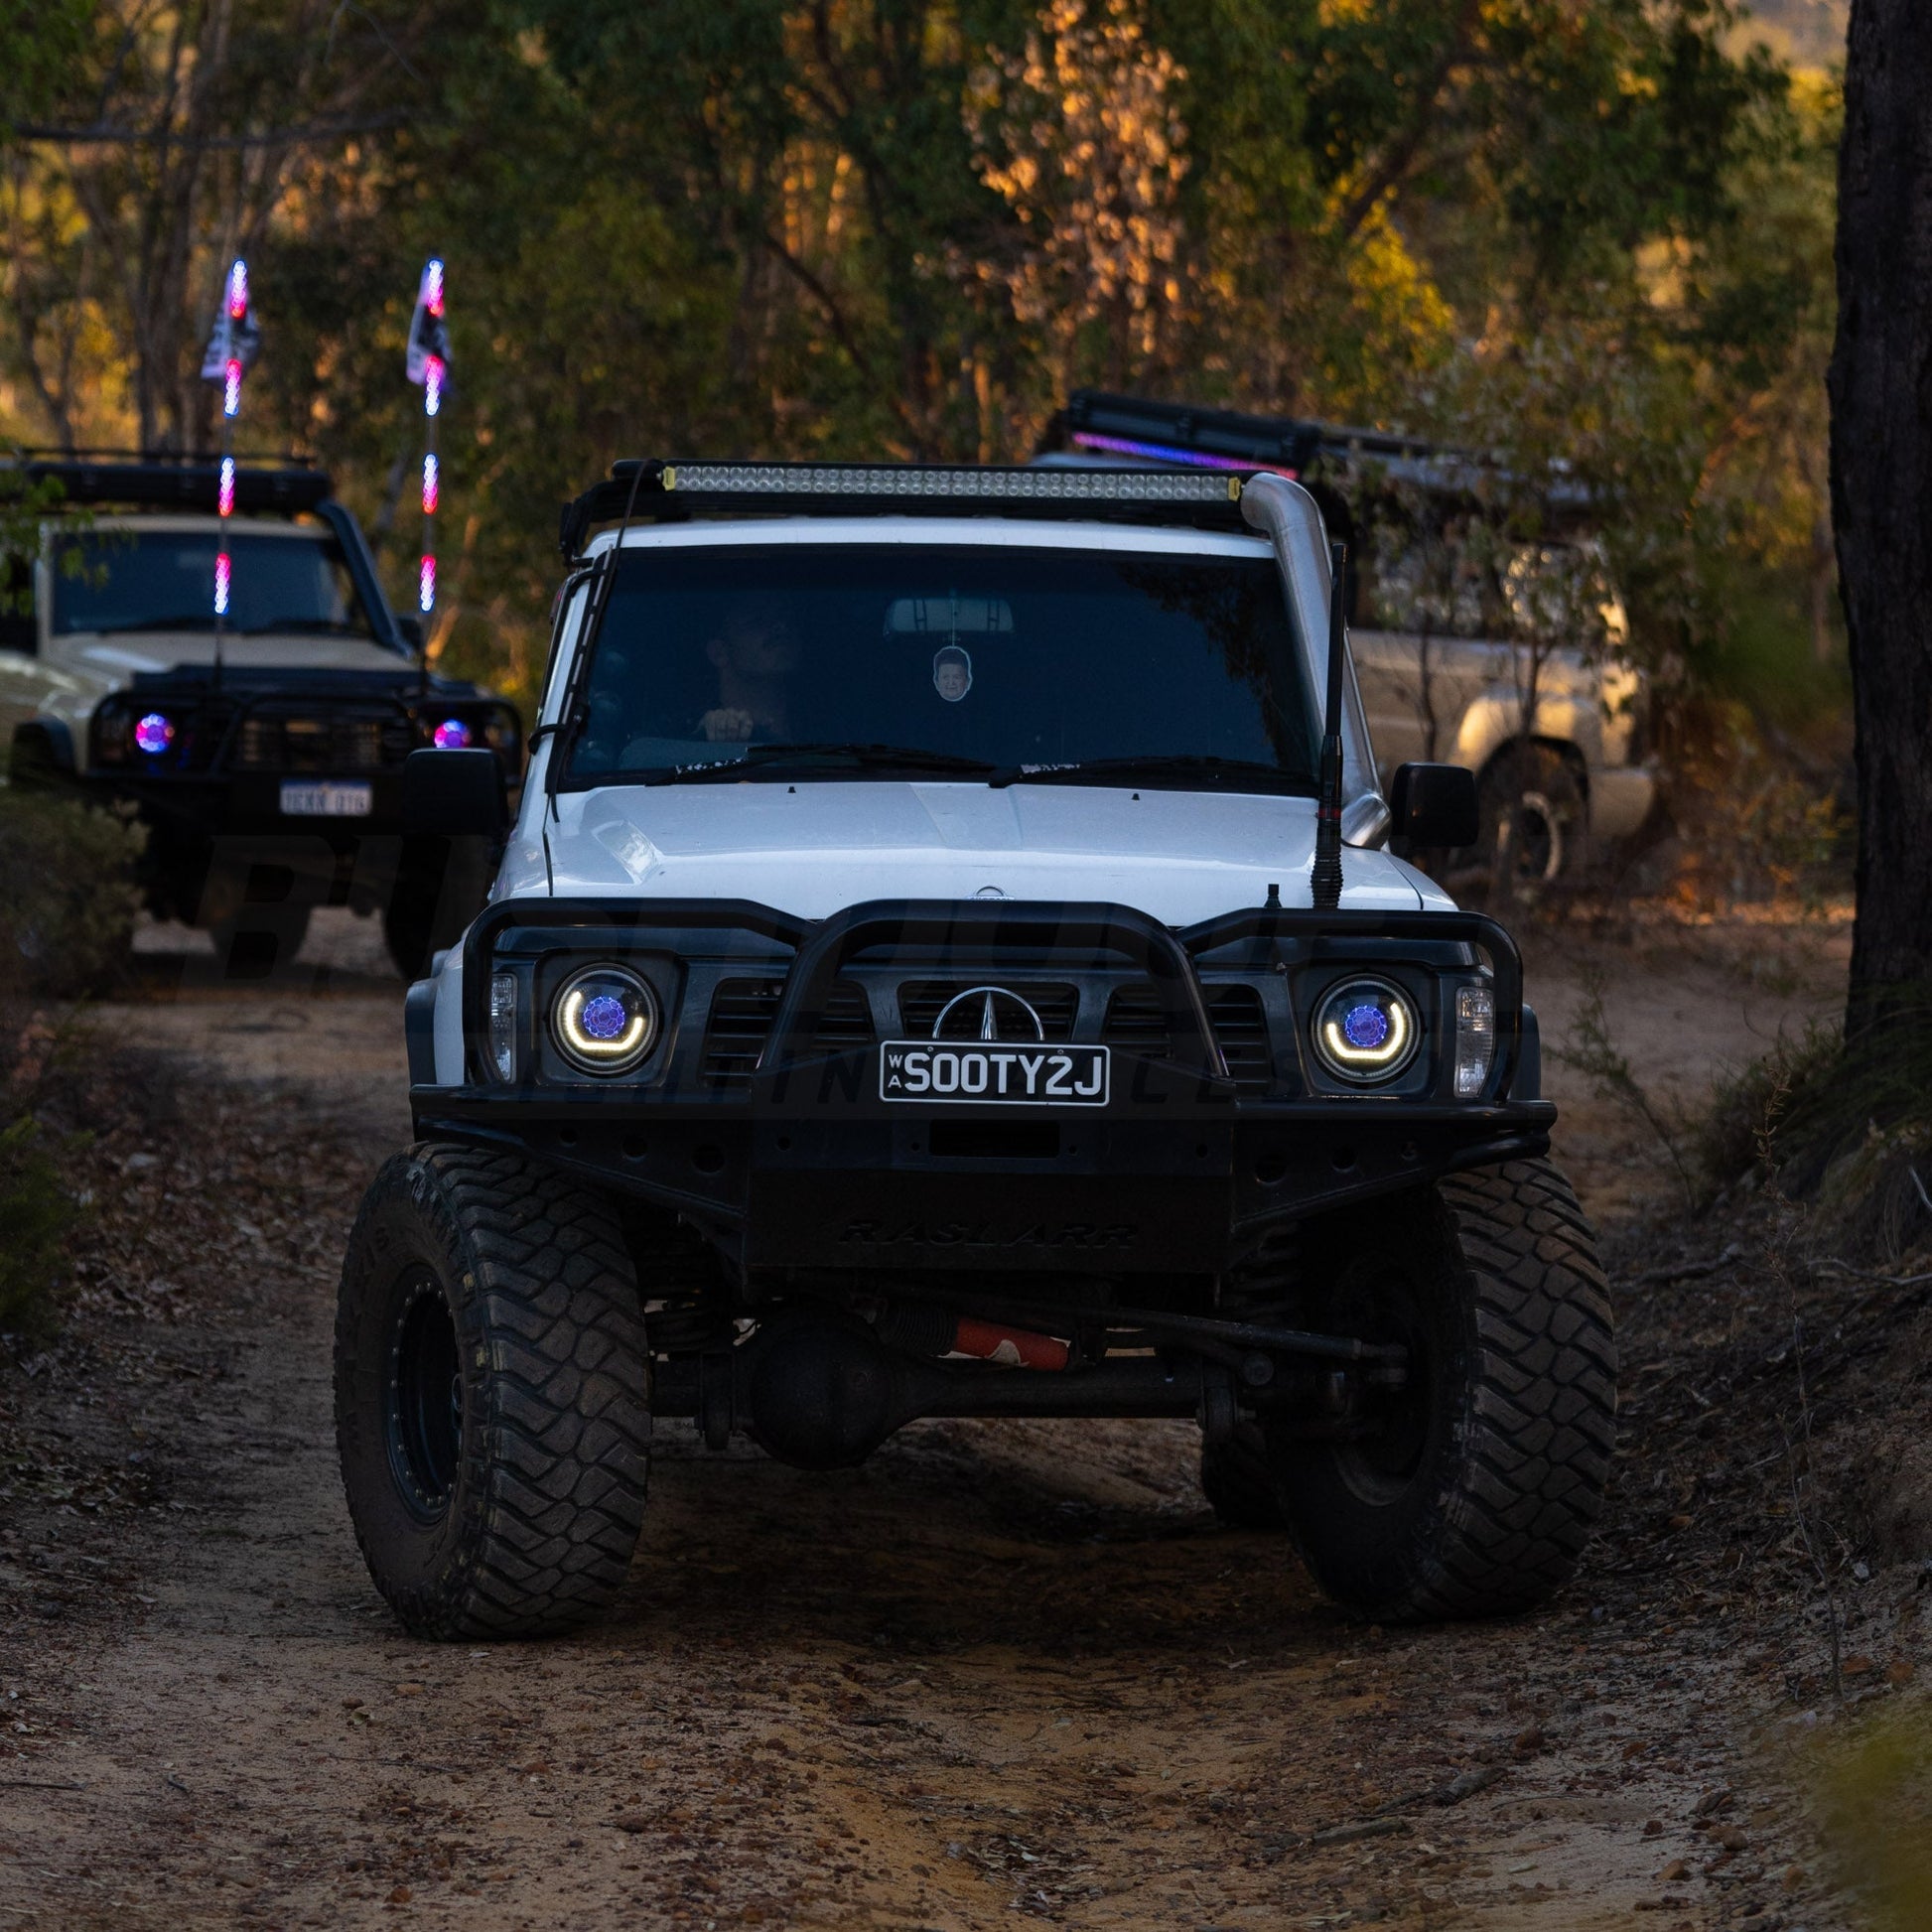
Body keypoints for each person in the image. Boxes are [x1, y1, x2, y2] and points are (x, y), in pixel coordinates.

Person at [697, 596, 802, 741]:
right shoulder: (683, 735)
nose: (780, 627)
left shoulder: (833, 730)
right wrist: (708, 736)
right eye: (757, 620)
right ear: (718, 653)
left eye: (785, 617)